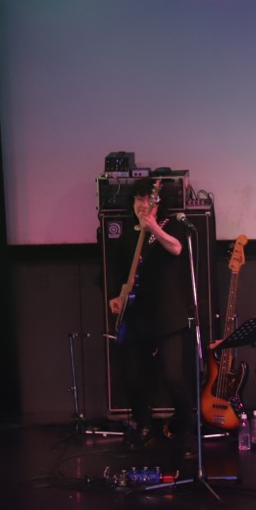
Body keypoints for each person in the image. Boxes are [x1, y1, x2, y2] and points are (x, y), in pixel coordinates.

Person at [108, 178, 196, 446]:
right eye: (139, 199)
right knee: (131, 377)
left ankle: (183, 426)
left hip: (168, 316)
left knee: (173, 376)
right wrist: (116, 298)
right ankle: (144, 425)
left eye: (150, 199)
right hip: (137, 317)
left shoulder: (172, 226)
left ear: (159, 204)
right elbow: (119, 276)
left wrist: (153, 228)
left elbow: (177, 248)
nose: (143, 205)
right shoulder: (125, 236)